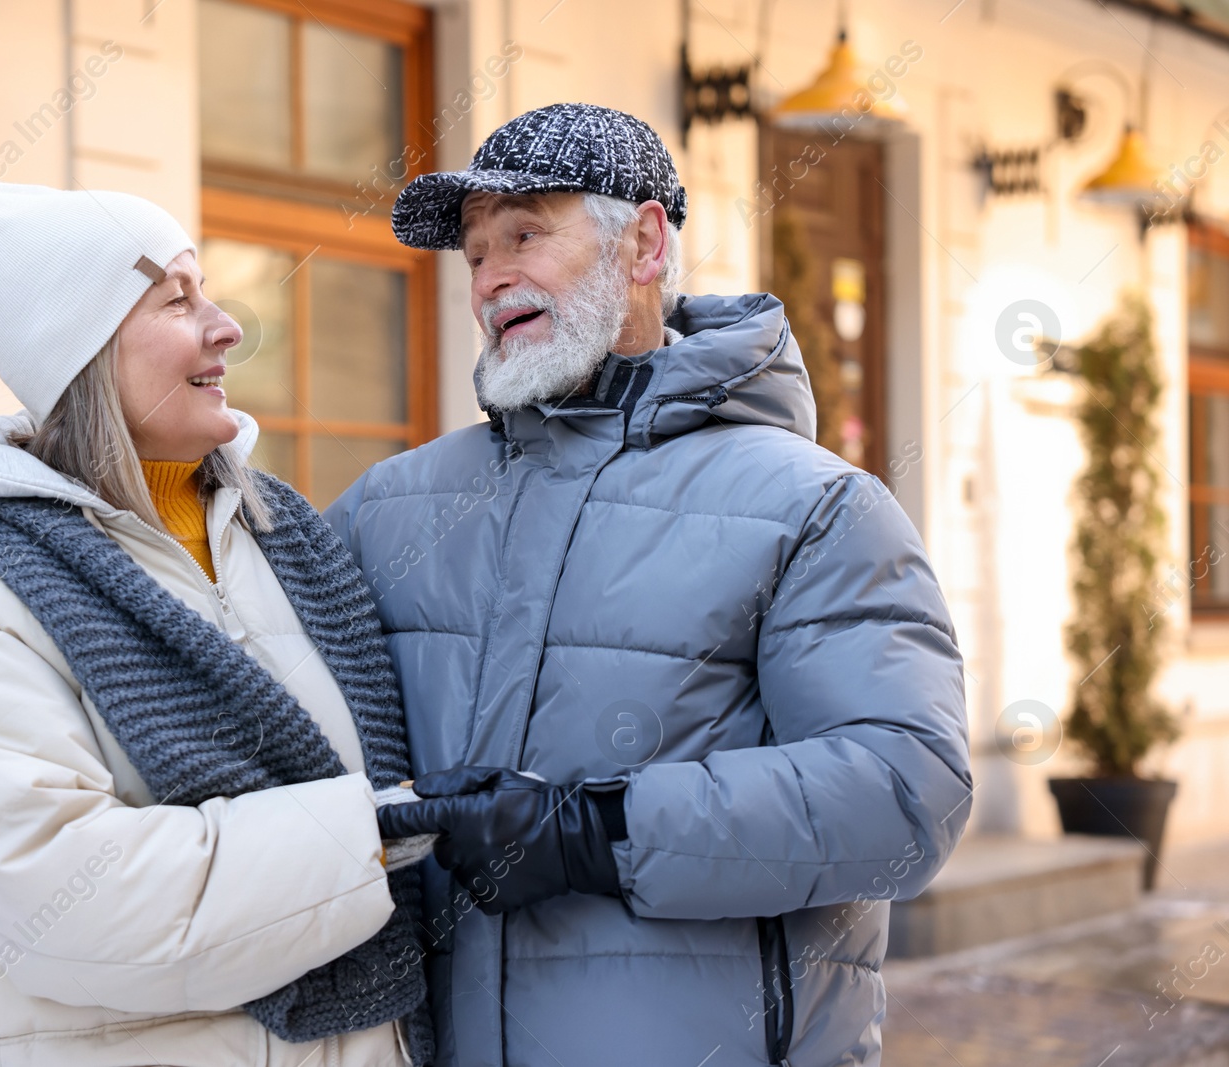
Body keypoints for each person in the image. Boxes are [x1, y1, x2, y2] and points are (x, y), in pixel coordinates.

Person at [329, 103, 973, 1066]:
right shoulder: (388, 505)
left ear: (643, 241)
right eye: (474, 253)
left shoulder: (815, 507)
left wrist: (597, 833)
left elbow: (904, 794)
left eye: (525, 234)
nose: (492, 276)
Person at [0, 172, 435, 1067]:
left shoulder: (291, 541)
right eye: (177, 299)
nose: (227, 325)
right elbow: (66, 898)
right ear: (83, 354)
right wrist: (371, 837)